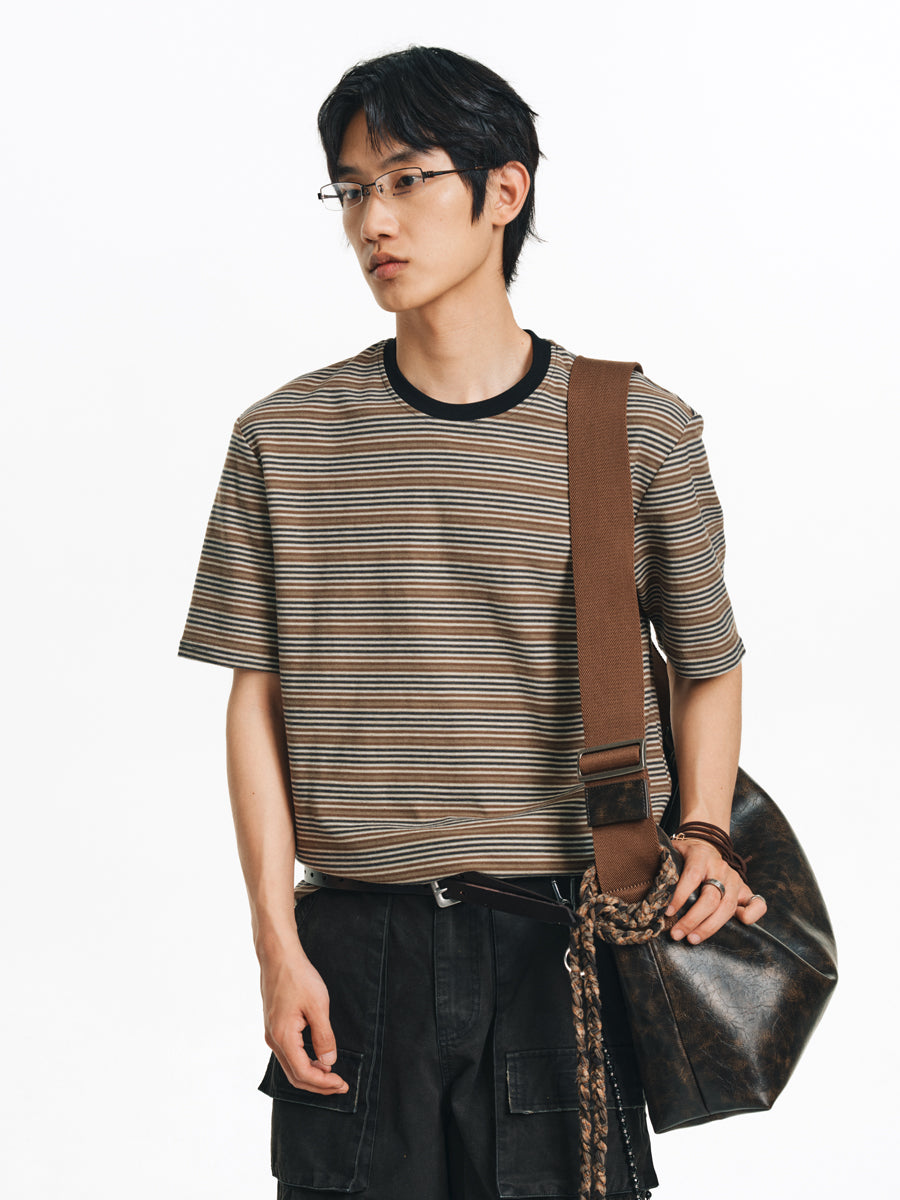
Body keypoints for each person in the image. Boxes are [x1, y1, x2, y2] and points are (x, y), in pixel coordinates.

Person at [179, 45, 767, 1200]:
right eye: (353, 189)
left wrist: (703, 829)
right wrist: (275, 946)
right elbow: (256, 702)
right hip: (354, 950)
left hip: (565, 942)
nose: (373, 221)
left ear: (505, 191)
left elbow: (707, 661)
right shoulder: (281, 439)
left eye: (406, 179)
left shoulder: (635, 429)